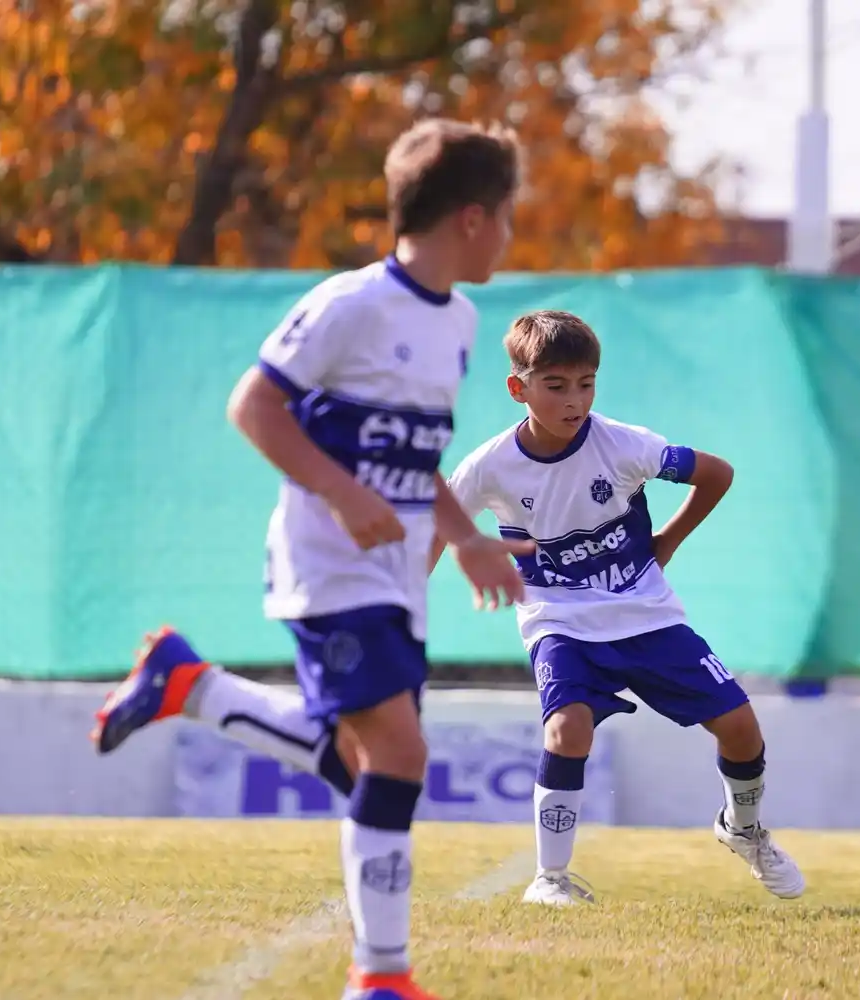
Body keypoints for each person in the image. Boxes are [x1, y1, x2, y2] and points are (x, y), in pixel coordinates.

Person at [91, 118, 531, 1000]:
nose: (513, 234)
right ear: (474, 218)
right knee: (401, 756)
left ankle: (191, 688)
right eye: (510, 216)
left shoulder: (461, 322)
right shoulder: (350, 304)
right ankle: (382, 976)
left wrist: (467, 535)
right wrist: (343, 493)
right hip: (327, 565)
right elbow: (255, 407)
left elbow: (410, 457)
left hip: (399, 575)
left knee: (367, 764)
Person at [438, 309, 805, 906]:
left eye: (585, 384)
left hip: (646, 612)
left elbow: (716, 473)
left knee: (740, 728)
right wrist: (404, 606)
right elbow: (440, 525)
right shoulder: (489, 466)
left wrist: (669, 542)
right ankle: (549, 879)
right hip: (558, 619)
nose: (573, 399)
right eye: (555, 386)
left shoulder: (624, 444)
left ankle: (743, 828)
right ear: (518, 388)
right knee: (566, 728)